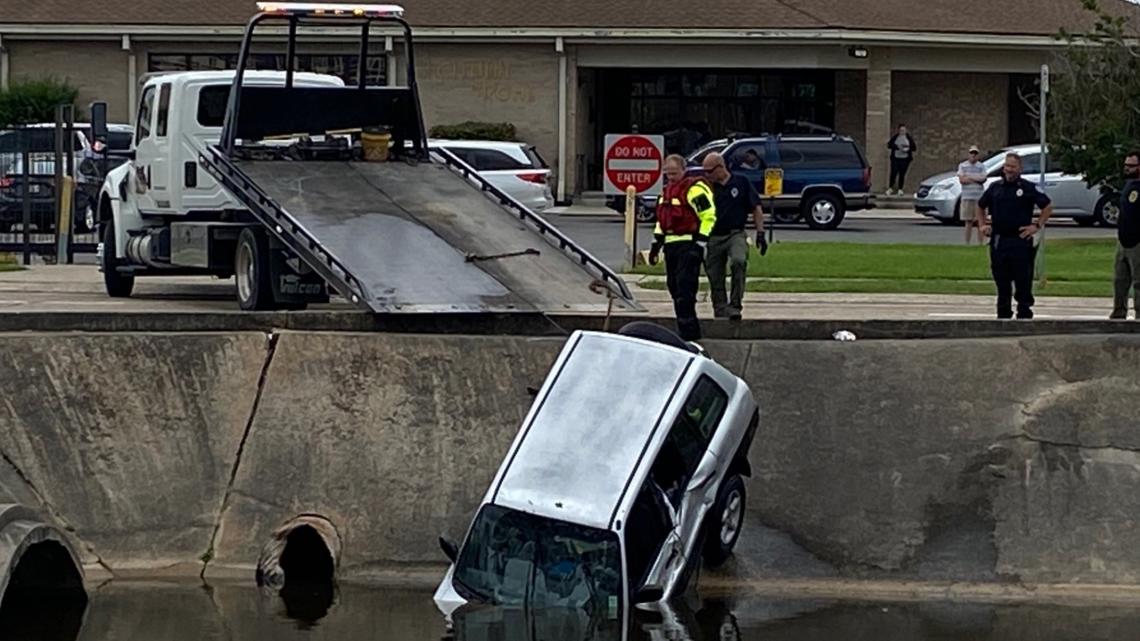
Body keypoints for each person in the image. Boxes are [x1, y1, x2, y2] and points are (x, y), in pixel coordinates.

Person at [649, 154, 717, 341]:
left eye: (674, 173)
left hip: (688, 245)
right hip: (670, 246)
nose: (671, 177)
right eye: (667, 174)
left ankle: (690, 334)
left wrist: (700, 244)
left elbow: (708, 216)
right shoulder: (666, 192)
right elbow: (661, 220)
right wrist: (656, 243)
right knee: (674, 287)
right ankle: (684, 328)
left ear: (683, 171)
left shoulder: (694, 190)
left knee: (685, 289)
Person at [978, 153, 1053, 320]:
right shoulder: (995, 188)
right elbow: (980, 206)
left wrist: (1036, 226)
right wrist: (983, 225)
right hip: (999, 240)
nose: (1009, 170)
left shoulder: (1028, 188)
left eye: (1012, 167)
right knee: (1001, 280)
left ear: (1020, 169)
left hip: (1020, 240)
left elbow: (1047, 206)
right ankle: (1003, 314)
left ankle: (1024, 312)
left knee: (1023, 280)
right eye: (1006, 166)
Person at [700, 152, 767, 320]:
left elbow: (756, 208)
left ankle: (735, 304)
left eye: (709, 171)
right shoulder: (705, 187)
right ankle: (720, 307)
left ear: (720, 167)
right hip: (713, 236)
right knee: (715, 274)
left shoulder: (741, 182)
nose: (707, 175)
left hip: (735, 233)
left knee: (739, 261)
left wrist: (760, 233)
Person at [1111, 151, 1140, 320]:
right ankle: (1118, 313)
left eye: (1131, 166)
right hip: (1123, 241)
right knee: (1119, 280)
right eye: (1126, 165)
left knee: (1138, 282)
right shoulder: (1129, 185)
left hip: (1138, 243)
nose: (1127, 168)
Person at [957, 145, 988, 245]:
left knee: (980, 221)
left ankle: (980, 243)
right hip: (967, 196)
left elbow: (983, 178)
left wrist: (969, 177)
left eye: (975, 153)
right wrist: (976, 178)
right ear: (969, 154)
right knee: (968, 221)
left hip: (979, 197)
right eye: (972, 153)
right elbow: (962, 180)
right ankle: (967, 243)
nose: (973, 155)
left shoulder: (981, 166)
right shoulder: (962, 165)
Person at [886, 124, 917, 196]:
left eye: (903, 130)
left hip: (905, 159)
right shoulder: (896, 138)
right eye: (901, 130)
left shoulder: (908, 138)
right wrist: (897, 147)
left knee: (902, 174)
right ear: (898, 131)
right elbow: (889, 145)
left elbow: (914, 147)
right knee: (893, 172)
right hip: (896, 158)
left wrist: (907, 149)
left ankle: (900, 189)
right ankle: (890, 188)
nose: (902, 132)